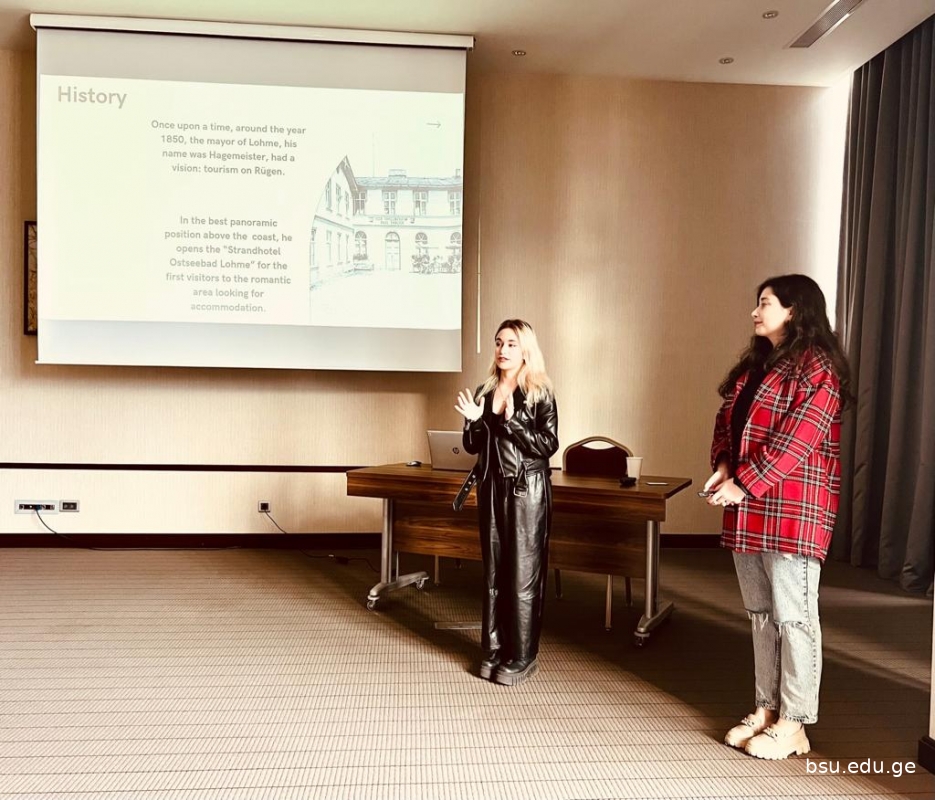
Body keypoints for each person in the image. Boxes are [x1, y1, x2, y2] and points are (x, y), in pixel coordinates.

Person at [704, 274, 851, 760]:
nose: (755, 311)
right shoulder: (757, 365)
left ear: (794, 310)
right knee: (762, 616)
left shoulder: (818, 368)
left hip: (794, 510)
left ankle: (795, 722)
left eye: (764, 303)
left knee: (795, 618)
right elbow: (727, 422)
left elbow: (797, 441)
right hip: (748, 509)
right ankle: (767, 708)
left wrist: (742, 483)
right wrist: (724, 466)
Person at [454, 319, 558, 686]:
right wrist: (473, 422)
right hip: (491, 488)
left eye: (511, 344)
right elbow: (473, 446)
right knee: (494, 571)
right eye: (499, 342)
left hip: (526, 490)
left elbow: (548, 445)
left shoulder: (539, 391)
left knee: (522, 575)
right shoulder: (485, 389)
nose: (503, 350)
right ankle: (495, 648)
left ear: (525, 349)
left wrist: (514, 423)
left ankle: (523, 655)